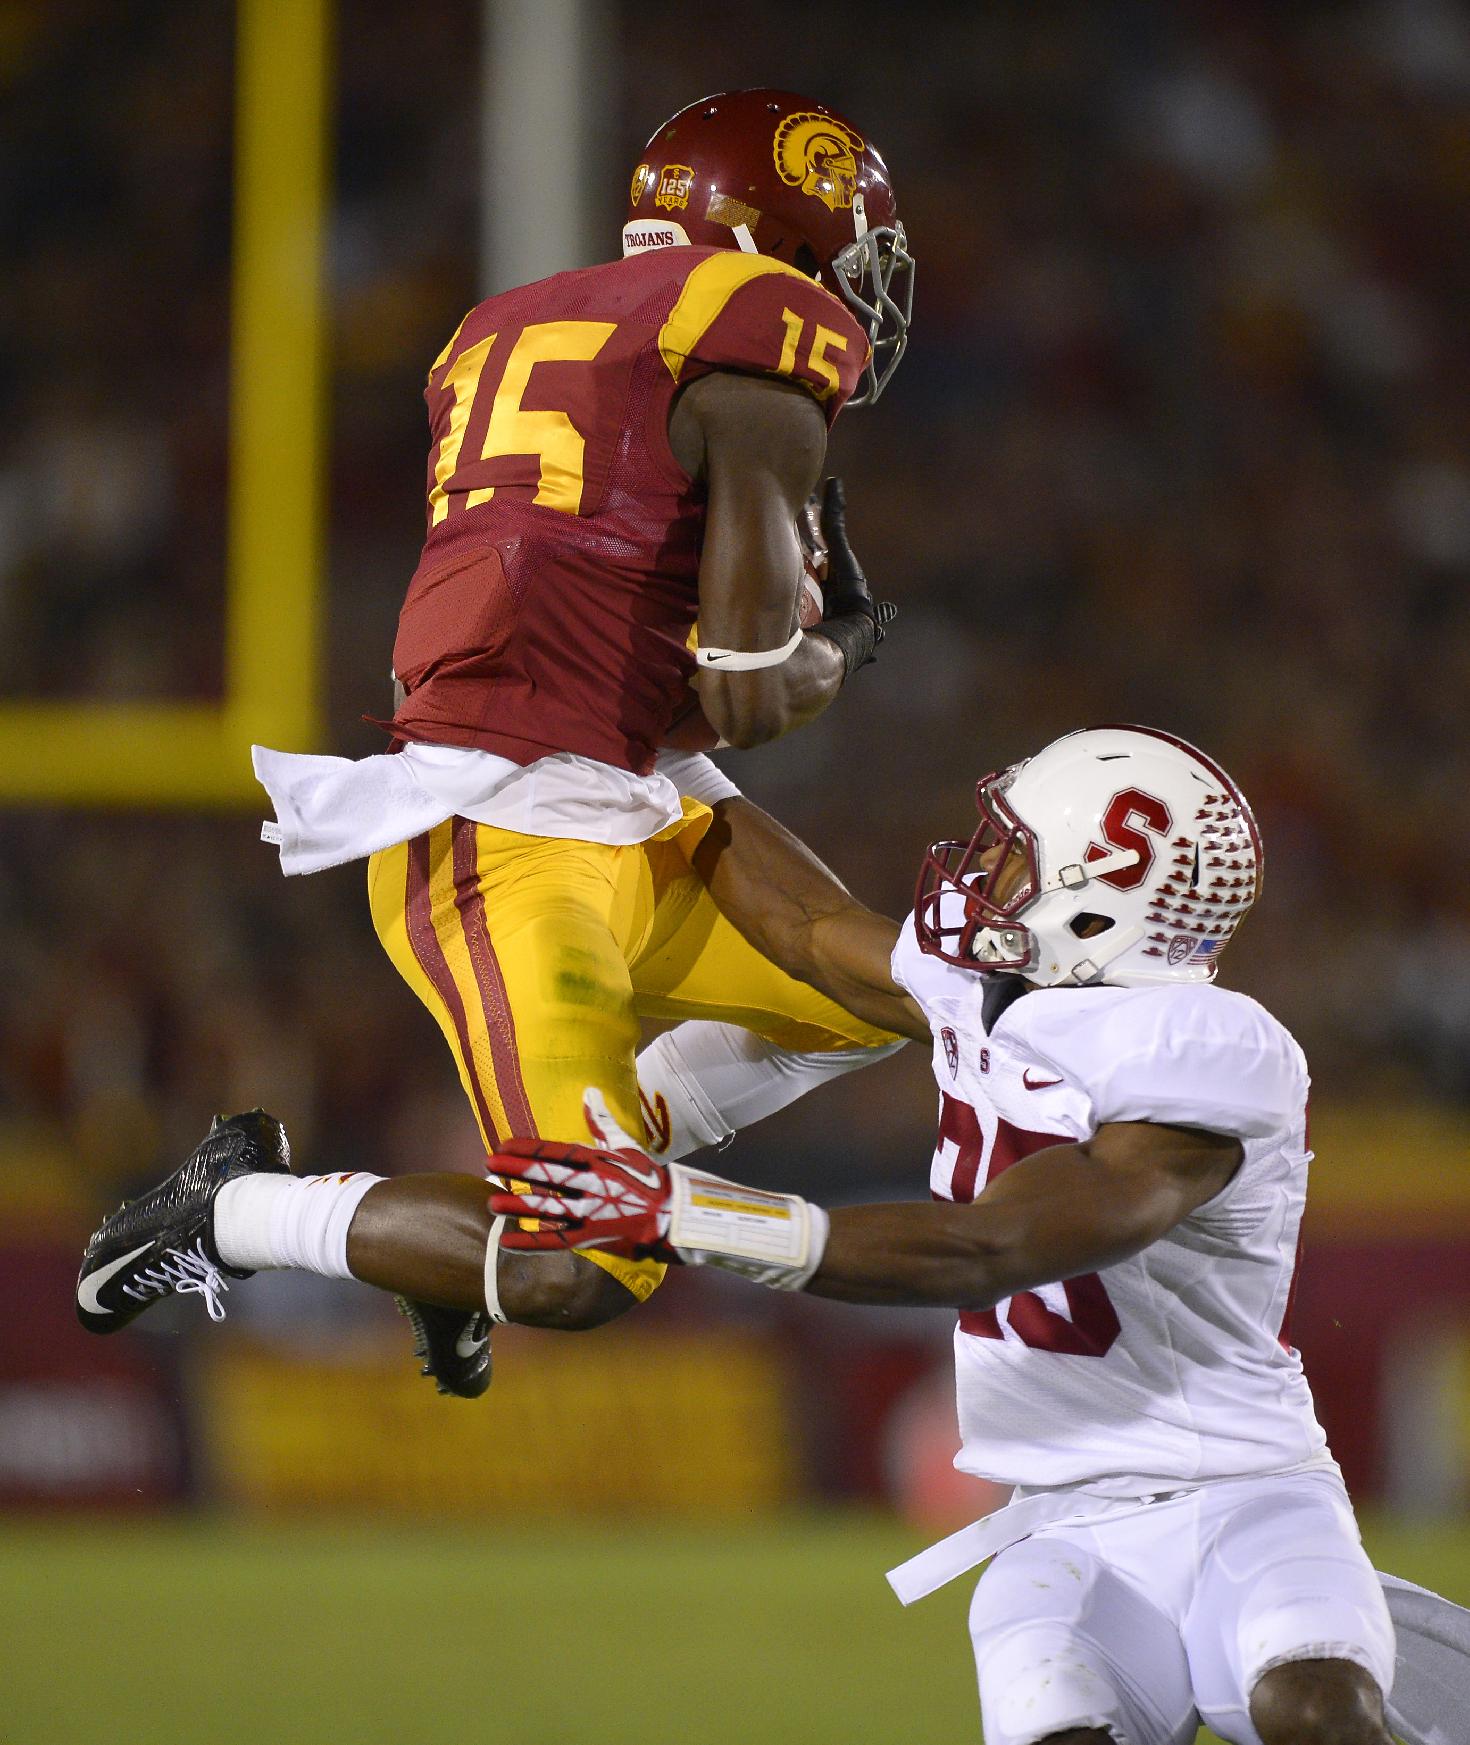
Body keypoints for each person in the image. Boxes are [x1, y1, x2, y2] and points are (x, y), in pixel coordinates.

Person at [74, 90, 916, 1392]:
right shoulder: (765, 330)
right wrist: (828, 645)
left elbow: (590, 615)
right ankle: (236, 1212)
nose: (853, 290)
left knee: (880, 998)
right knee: (584, 1267)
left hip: (608, 778)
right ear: (777, 235)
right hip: (510, 832)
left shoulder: (503, 325)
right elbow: (748, 693)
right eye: (842, 252)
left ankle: (473, 1219)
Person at [460, 723, 1470, 1745]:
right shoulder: (985, 987)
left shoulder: (1210, 1051)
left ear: (1097, 892)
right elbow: (807, 925)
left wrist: (688, 1212)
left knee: (1314, 1710)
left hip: (1245, 1496)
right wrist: (657, 753)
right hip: (1061, 1519)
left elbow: (993, 1247)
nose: (980, 864)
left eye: (1015, 850)